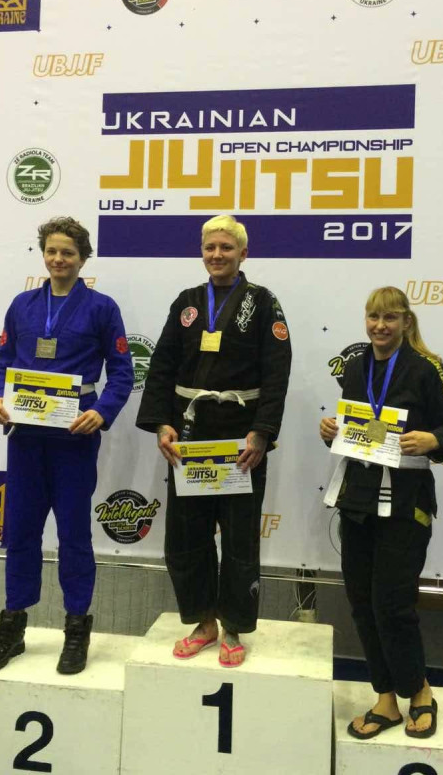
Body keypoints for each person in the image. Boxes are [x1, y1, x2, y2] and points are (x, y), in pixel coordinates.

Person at [136, 215, 291, 667]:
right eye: (210, 247)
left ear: (243, 253)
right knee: (187, 535)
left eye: (226, 247)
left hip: (241, 437)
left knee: (240, 536)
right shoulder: (186, 302)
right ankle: (203, 622)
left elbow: (277, 371)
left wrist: (262, 432)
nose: (217, 255)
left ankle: (233, 626)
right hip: (190, 433)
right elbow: (162, 365)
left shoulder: (263, 302)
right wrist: (161, 423)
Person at [0, 217, 134, 674]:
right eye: (51, 251)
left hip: (73, 439)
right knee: (21, 531)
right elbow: (1, 362)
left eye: (67, 252)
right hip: (26, 439)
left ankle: (76, 627)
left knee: (73, 534)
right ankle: (13, 624)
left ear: (83, 258)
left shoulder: (102, 308)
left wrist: (102, 411)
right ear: (43, 254)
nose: (58, 259)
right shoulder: (22, 305)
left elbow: (122, 372)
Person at [319, 286, 443, 739]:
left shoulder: (426, 367)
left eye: (390, 318)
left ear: (406, 321)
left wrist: (433, 440)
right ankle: (385, 698)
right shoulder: (355, 366)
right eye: (374, 317)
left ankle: (418, 691)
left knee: (393, 605)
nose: (380, 326)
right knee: (362, 603)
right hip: (358, 501)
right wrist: (331, 431)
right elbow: (356, 427)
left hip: (405, 503)